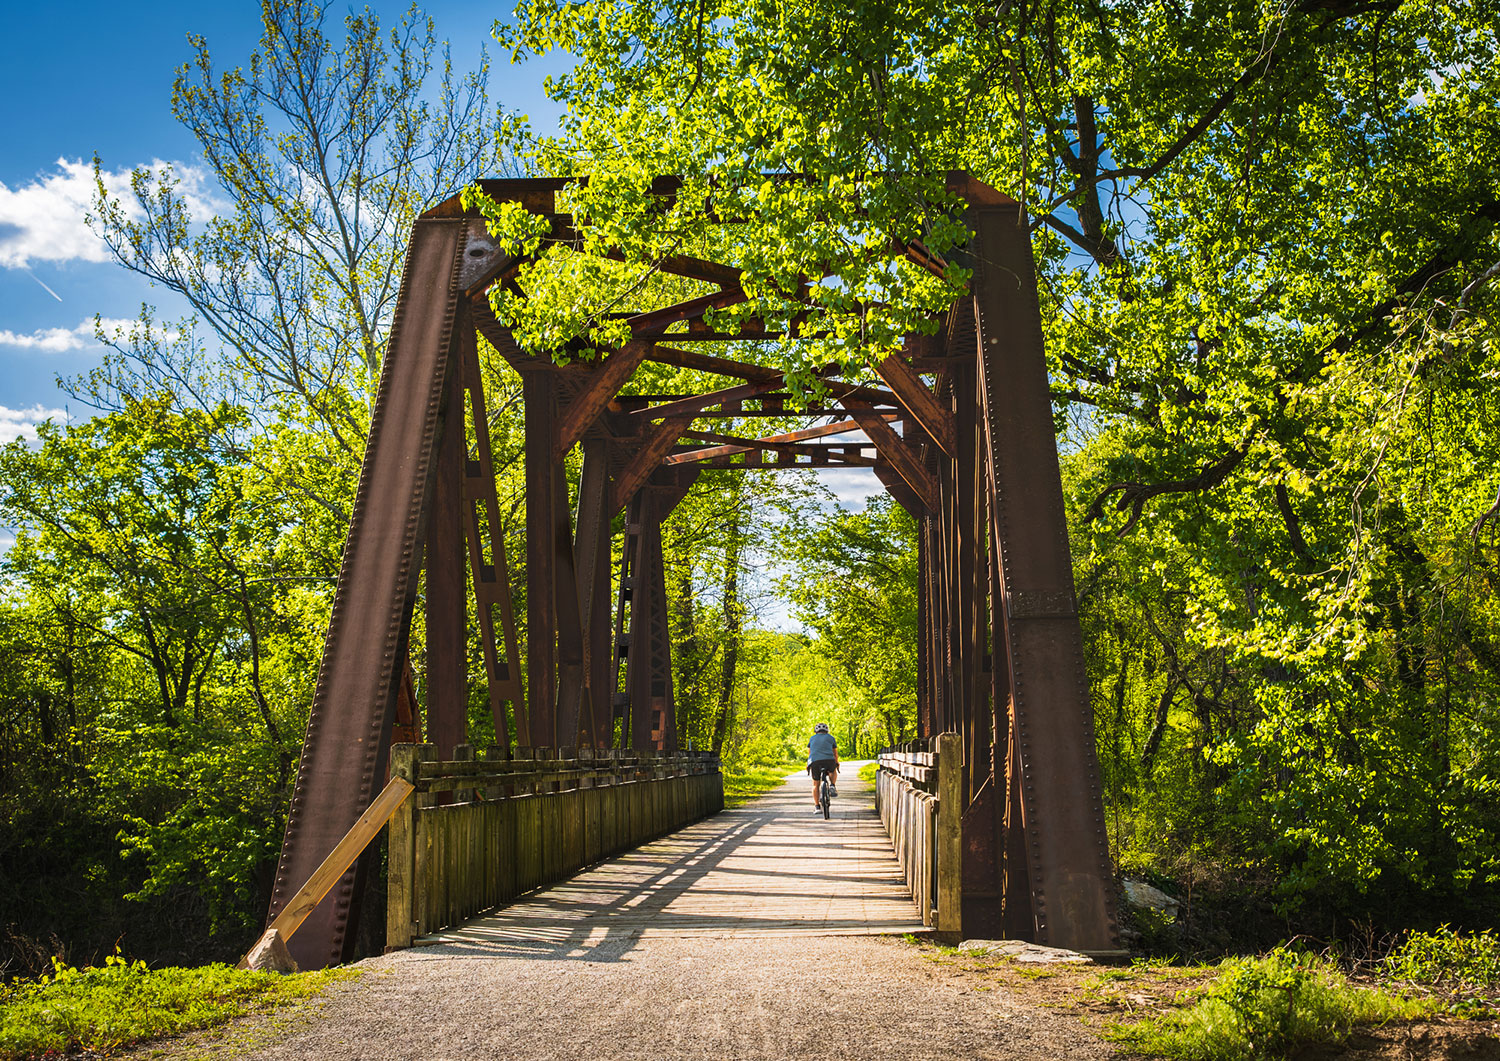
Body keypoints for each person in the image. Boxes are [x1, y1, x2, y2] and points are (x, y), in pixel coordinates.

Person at [807, 722, 839, 810]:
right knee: (833, 770)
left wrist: (808, 765)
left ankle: (817, 807)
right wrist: (837, 763)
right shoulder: (831, 738)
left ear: (816, 731)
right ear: (826, 730)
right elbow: (835, 753)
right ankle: (832, 785)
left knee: (815, 784)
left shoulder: (812, 738)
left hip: (815, 761)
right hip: (829, 760)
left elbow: (810, 753)